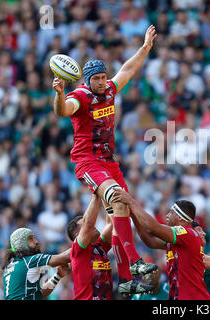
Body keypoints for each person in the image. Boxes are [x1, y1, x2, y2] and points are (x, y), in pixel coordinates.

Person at [52, 25, 158, 281]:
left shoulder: (110, 90)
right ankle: (134, 262)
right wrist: (59, 93)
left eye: (102, 77)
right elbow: (63, 110)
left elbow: (128, 70)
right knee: (118, 197)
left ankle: (127, 280)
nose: (100, 82)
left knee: (119, 217)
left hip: (110, 163)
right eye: (96, 79)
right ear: (87, 80)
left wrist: (145, 48)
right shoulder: (81, 97)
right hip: (88, 163)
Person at [112, 188, 210, 300]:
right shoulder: (179, 239)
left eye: (171, 212)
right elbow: (150, 241)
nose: (167, 215)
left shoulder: (187, 232)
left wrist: (132, 202)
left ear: (179, 217)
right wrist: (134, 216)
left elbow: (152, 228)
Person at [66, 193, 153, 299]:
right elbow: (88, 223)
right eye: (82, 225)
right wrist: (95, 194)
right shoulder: (78, 250)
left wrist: (105, 192)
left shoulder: (99, 246)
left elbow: (112, 224)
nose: (93, 225)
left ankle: (125, 280)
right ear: (77, 236)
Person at [2, 228, 71, 300]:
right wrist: (82, 237)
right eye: (30, 239)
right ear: (21, 244)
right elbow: (66, 257)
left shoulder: (9, 267)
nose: (36, 241)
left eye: (34, 238)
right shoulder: (30, 261)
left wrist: (57, 276)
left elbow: (39, 295)